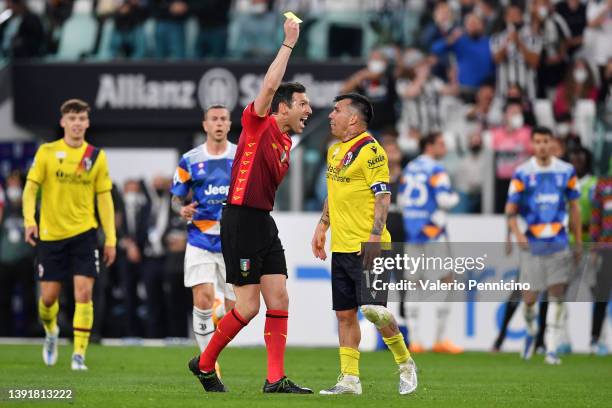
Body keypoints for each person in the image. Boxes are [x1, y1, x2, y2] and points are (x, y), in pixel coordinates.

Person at [188, 16, 313, 394]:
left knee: (279, 297)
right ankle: (205, 363)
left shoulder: (287, 143)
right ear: (282, 107)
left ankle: (275, 379)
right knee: (247, 307)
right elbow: (271, 84)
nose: (308, 110)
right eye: (303, 104)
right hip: (240, 219)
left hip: (263, 223)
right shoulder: (257, 123)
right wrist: (288, 43)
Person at [311, 93, 417, 396]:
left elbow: (383, 196)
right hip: (342, 247)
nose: (331, 115)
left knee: (373, 310)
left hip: (370, 247)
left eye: (337, 111)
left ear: (353, 119)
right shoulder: (335, 152)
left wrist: (374, 236)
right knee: (345, 314)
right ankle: (349, 379)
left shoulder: (372, 151)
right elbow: (334, 192)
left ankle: (405, 362)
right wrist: (322, 224)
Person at [22, 99, 116, 370]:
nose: (77, 123)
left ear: (87, 123)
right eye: (72, 118)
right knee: (48, 298)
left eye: (81, 119)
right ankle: (51, 331)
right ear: (63, 122)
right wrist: (30, 221)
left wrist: (110, 238)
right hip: (51, 236)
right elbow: (30, 190)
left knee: (84, 293)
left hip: (84, 234)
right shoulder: (47, 152)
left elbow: (105, 199)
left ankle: (78, 354)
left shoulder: (95, 156)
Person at [505, 126, 581, 365]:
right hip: (532, 244)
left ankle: (551, 348)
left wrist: (578, 241)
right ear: (532, 145)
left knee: (557, 294)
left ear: (552, 143)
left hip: (558, 242)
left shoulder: (566, 171)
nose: (541, 145)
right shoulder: (522, 173)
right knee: (529, 298)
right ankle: (530, 333)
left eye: (545, 141)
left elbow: (575, 207)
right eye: (537, 141)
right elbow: (510, 210)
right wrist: (517, 233)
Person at [172, 105, 237, 371]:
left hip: (233, 240)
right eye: (214, 119)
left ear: (229, 125)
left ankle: (219, 309)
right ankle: (209, 366)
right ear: (205, 125)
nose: (219, 123)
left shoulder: (241, 155)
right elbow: (176, 198)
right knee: (202, 298)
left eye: (223, 119)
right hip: (200, 238)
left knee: (238, 310)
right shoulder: (189, 159)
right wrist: (181, 209)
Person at [399, 132, 462, 354]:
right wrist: (456, 197)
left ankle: (415, 341)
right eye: (441, 144)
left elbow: (402, 200)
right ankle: (439, 339)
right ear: (430, 146)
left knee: (413, 284)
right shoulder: (437, 169)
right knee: (447, 280)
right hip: (434, 232)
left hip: (413, 231)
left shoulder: (410, 168)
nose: (444, 148)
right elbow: (445, 200)